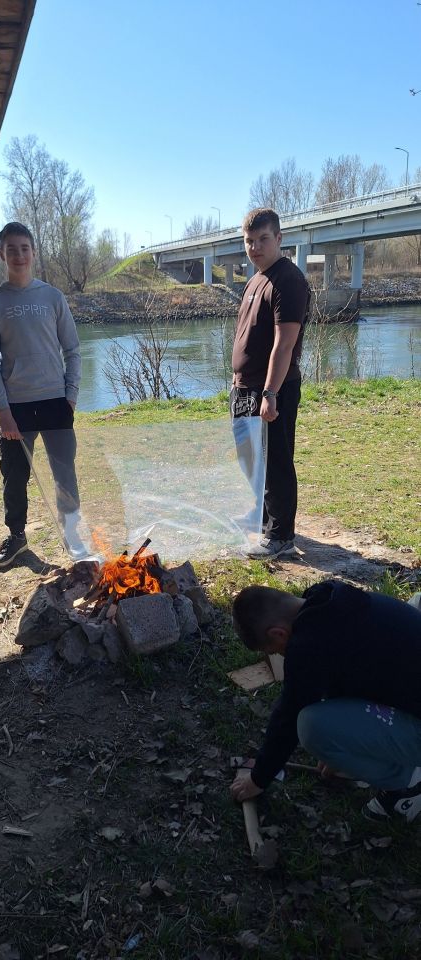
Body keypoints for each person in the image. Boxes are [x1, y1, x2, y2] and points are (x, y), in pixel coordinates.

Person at [229, 580, 421, 821]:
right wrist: (344, 749)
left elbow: (287, 719)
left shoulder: (308, 645)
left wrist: (258, 778)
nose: (280, 655)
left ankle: (409, 783)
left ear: (278, 633)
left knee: (311, 726)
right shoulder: (329, 600)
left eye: (275, 651)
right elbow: (350, 675)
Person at [0, 221, 89, 570]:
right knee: (14, 475)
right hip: (16, 408)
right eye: (11, 249)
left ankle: (73, 535)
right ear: (1, 255)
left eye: (24, 248)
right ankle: (17, 536)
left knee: (64, 473)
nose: (19, 255)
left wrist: (70, 396)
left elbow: (72, 350)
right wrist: (3, 410)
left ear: (33, 253)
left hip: (55, 402)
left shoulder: (52, 297)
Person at [231, 207, 310, 559]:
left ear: (278, 239)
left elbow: (284, 344)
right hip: (244, 387)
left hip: (272, 390)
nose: (255, 247)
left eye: (263, 239)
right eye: (249, 241)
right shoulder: (255, 280)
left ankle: (280, 535)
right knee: (250, 458)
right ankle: (263, 514)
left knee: (275, 459)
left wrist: (270, 393)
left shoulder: (287, 280)